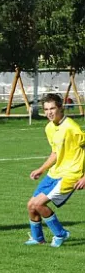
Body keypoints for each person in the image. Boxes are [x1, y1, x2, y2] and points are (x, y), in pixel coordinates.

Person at [25, 93, 85, 247]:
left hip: (71, 174)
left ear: (60, 108)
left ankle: (61, 233)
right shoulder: (49, 128)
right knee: (31, 205)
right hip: (55, 173)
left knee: (39, 204)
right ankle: (38, 239)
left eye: (52, 108)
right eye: (46, 109)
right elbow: (55, 153)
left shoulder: (72, 127)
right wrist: (41, 169)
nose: (49, 112)